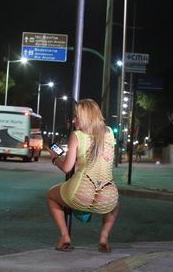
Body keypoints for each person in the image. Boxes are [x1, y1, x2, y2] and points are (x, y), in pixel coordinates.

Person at [46, 99, 119, 253]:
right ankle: (104, 236)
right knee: (114, 206)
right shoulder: (109, 132)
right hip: (107, 193)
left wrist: (54, 158)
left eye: (76, 117)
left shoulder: (77, 135)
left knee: (51, 195)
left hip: (82, 191)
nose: (73, 120)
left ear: (85, 117)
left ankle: (64, 236)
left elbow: (67, 168)